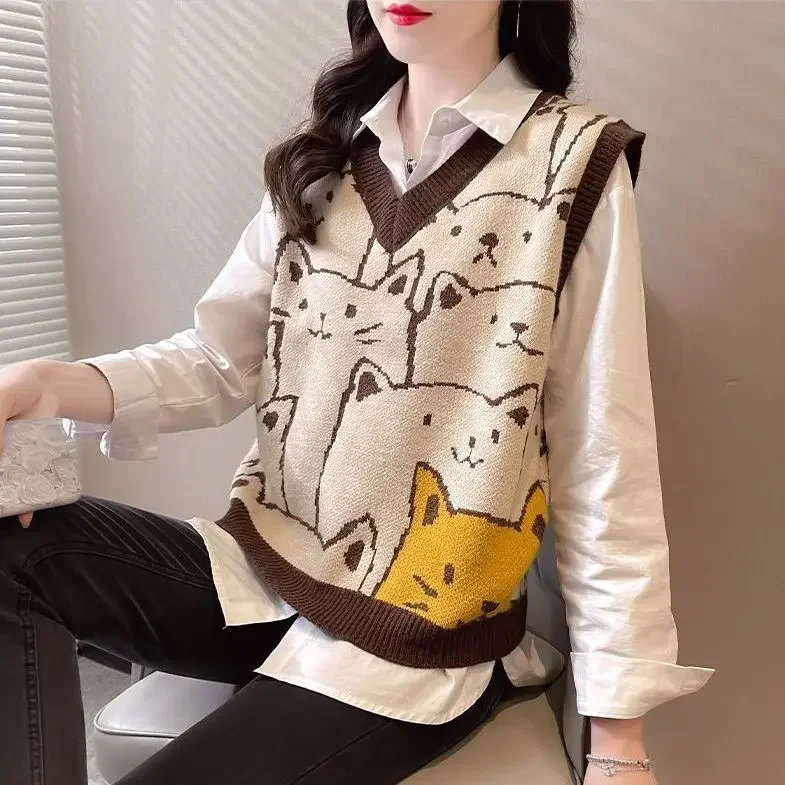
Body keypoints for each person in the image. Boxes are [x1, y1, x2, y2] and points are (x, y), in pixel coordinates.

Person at [0, 2, 713, 784]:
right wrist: (43, 382)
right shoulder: (325, 156)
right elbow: (218, 358)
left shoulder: (571, 163)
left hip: (420, 635)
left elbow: (600, 454)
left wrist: (617, 743)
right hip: (264, 574)